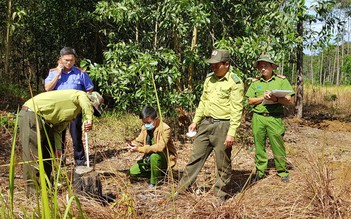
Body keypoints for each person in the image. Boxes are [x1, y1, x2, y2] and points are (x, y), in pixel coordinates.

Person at [176, 49, 244, 200]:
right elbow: (203, 101)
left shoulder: (235, 82)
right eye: (212, 64)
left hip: (223, 126)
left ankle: (220, 195)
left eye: (216, 65)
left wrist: (231, 133)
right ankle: (181, 190)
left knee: (222, 163)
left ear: (226, 64)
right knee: (195, 157)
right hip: (206, 124)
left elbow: (237, 110)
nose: (213, 67)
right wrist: (195, 121)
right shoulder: (209, 79)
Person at [18, 90, 104, 196]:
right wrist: (89, 119)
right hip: (31, 115)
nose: (91, 111)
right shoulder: (79, 95)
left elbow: (58, 128)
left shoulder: (74, 111)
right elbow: (83, 99)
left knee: (47, 157)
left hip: (46, 123)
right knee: (32, 157)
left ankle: (46, 190)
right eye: (92, 108)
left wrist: (58, 148)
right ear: (89, 100)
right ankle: (33, 196)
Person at [245, 54, 295, 183]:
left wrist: (275, 99)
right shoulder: (256, 83)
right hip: (258, 117)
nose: (263, 68)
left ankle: (282, 171)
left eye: (266, 65)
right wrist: (263, 98)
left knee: (277, 145)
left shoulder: (281, 81)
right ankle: (260, 171)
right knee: (259, 145)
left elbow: (289, 100)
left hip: (274, 118)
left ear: (272, 67)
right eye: (260, 66)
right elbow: (250, 100)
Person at [44, 47, 94, 166]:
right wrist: (58, 74)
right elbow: (47, 89)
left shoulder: (80, 73)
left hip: (74, 111)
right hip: (58, 111)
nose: (69, 62)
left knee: (76, 136)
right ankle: (60, 161)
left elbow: (89, 88)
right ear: (60, 59)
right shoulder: (53, 72)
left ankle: (80, 161)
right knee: (58, 137)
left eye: (71, 60)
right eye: (66, 60)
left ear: (75, 60)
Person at [127, 106, 177, 188]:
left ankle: (155, 182)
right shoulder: (144, 128)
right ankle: (157, 173)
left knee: (154, 156)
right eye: (144, 122)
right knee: (133, 172)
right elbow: (139, 141)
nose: (146, 125)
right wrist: (132, 145)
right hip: (148, 158)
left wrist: (139, 149)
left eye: (148, 122)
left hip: (163, 157)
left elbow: (160, 147)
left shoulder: (165, 129)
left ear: (156, 119)